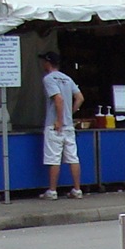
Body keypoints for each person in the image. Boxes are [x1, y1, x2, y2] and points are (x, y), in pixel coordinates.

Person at [38, 51, 84, 200]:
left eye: (43, 61)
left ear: (48, 62)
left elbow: (58, 99)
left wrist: (59, 119)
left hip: (55, 125)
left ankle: (52, 191)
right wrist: (69, 113)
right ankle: (77, 189)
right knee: (73, 157)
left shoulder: (48, 79)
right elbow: (80, 98)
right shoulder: (67, 78)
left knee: (53, 158)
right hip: (69, 126)